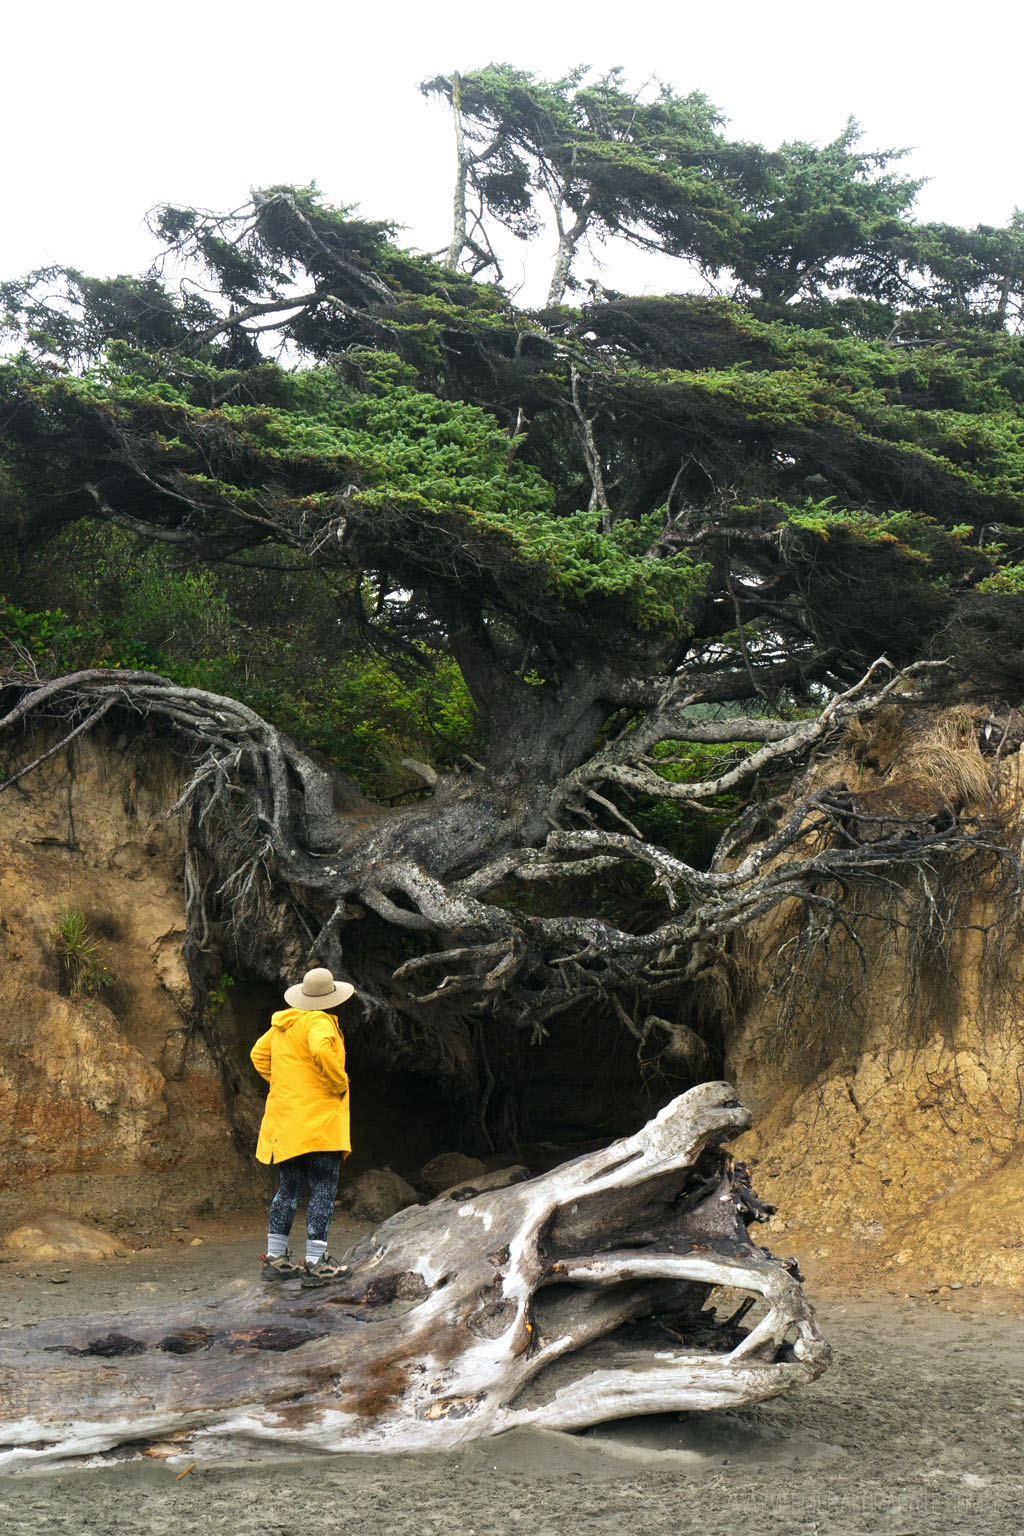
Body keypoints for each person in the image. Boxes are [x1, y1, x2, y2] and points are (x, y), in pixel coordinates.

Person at [250, 966, 355, 1287]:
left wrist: (285, 1085)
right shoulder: (319, 1021)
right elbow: (322, 1050)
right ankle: (314, 1263)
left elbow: (258, 1055)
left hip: (286, 1123)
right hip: (318, 1124)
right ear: (332, 999)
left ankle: (276, 1259)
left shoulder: (283, 1024)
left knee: (288, 1189)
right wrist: (338, 1082)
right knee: (323, 1188)